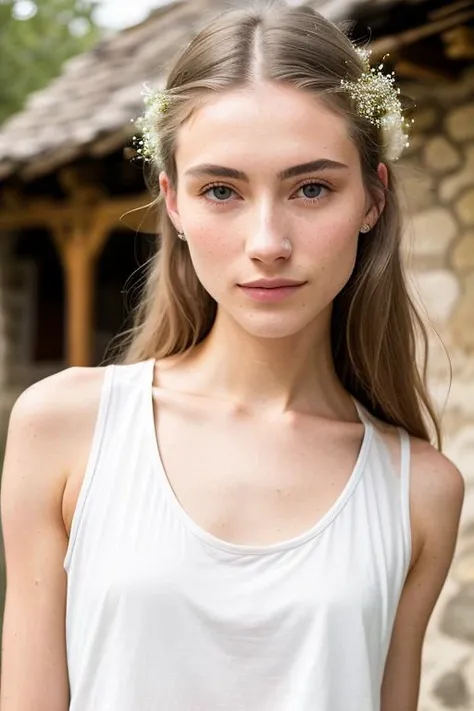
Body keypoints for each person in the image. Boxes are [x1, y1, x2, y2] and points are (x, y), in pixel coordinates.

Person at [0, 1, 465, 710]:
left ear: (373, 198)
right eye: (222, 190)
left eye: (312, 187)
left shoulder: (418, 491)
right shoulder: (63, 428)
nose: (268, 241)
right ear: (175, 204)